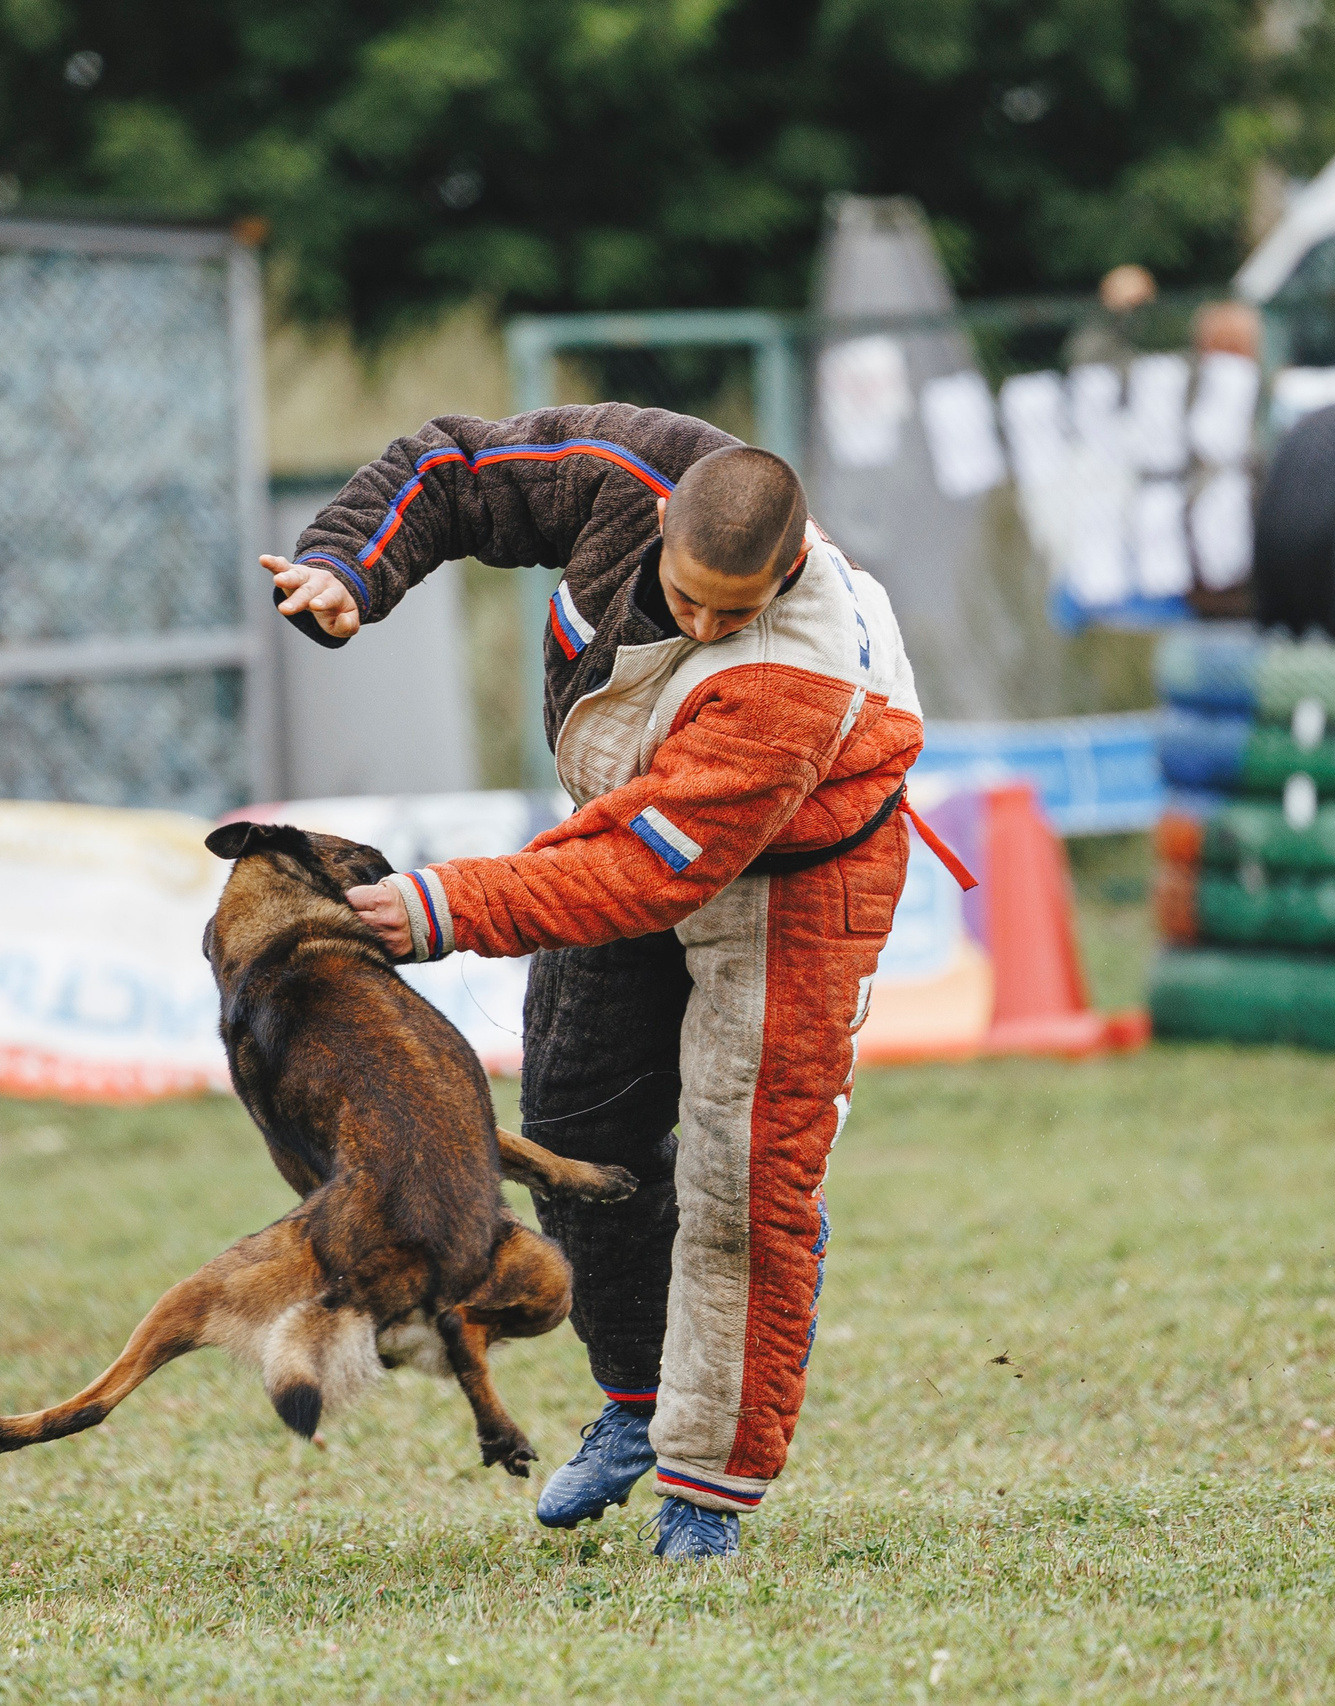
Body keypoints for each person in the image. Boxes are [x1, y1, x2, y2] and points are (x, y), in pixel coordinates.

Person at [262, 405, 926, 1561]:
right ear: (658, 521)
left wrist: (446, 905)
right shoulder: (623, 470)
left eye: (741, 605)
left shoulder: (790, 677)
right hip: (624, 831)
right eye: (692, 594)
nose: (711, 622)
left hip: (791, 880)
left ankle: (706, 1487)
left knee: (743, 1171)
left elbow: (643, 872)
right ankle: (631, 1398)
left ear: (793, 566)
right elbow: (457, 470)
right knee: (573, 1128)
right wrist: (347, 569)